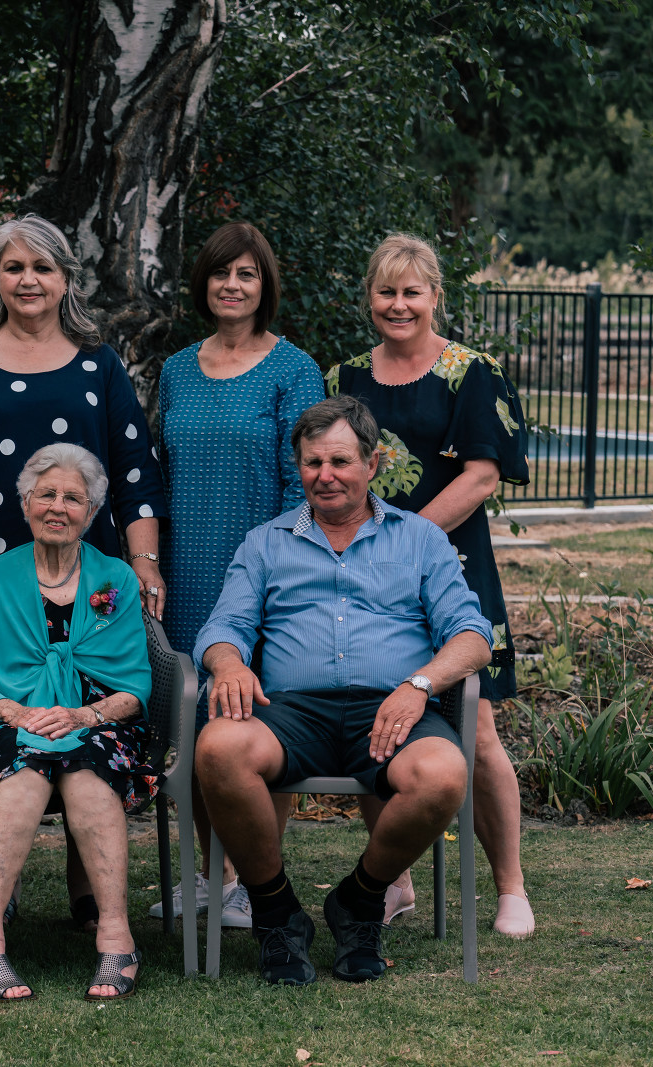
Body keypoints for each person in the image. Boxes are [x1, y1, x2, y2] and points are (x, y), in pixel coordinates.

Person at [0, 213, 166, 929]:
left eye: (42, 267)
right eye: (14, 267)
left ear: (65, 278)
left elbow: (135, 475)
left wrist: (143, 562)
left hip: (86, 583)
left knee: (81, 714)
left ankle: (88, 890)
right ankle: (2, 882)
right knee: (4, 716)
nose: (28, 280)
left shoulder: (97, 364)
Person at [193, 396, 492, 985]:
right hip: (292, 712)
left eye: (340, 461)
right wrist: (227, 663)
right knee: (218, 749)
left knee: (442, 776)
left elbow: (472, 635)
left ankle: (359, 900)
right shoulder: (265, 543)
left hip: (392, 708)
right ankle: (276, 913)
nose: (325, 475)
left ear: (372, 464)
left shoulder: (420, 539)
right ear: (299, 467)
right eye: (312, 462)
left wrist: (419, 684)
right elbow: (224, 626)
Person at [329, 232, 534, 938]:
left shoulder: (470, 371)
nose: (398, 304)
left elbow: (482, 475)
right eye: (386, 291)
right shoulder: (346, 376)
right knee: (373, 714)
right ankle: (394, 882)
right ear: (369, 298)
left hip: (450, 567)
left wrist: (403, 540)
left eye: (411, 291)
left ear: (435, 296)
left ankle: (510, 887)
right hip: (364, 575)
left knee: (477, 731)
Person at [152, 221, 324, 929]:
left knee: (258, 724)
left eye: (247, 274)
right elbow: (160, 477)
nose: (232, 285)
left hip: (266, 574)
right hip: (186, 569)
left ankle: (257, 879)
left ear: (265, 285)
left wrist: (279, 572)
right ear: (204, 283)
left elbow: (302, 482)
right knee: (197, 726)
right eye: (222, 273)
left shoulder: (294, 369)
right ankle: (210, 874)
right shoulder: (176, 370)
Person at [0, 445, 154, 1002]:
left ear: (91, 512)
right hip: (13, 720)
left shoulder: (115, 578)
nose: (58, 507)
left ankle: (115, 936)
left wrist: (83, 715)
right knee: (19, 774)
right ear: (25, 504)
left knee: (88, 775)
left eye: (73, 498)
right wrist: (20, 714)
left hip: (97, 721)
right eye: (47, 494)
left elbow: (134, 684)